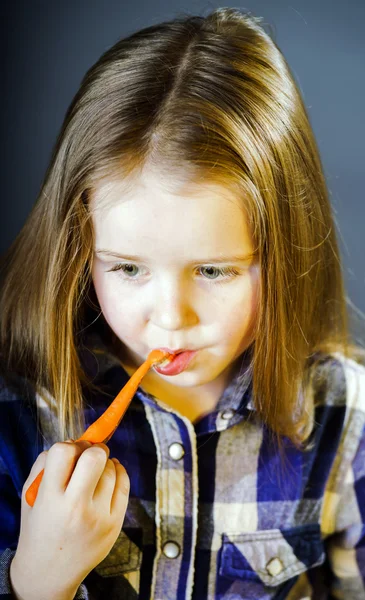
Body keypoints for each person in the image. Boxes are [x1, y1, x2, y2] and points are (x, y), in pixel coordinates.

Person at [0, 7, 364, 600]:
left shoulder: (345, 421)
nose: (170, 317)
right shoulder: (16, 415)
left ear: (284, 255)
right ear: (77, 252)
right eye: (126, 268)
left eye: (214, 270)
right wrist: (41, 580)